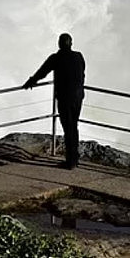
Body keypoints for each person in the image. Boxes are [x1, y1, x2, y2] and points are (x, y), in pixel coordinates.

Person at [23, 33, 86, 169]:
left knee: (68, 128)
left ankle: (70, 162)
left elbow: (42, 72)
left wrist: (30, 82)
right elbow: (83, 73)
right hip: (78, 96)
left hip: (65, 98)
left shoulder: (56, 58)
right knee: (74, 126)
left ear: (59, 44)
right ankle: (74, 158)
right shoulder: (78, 56)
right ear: (71, 43)